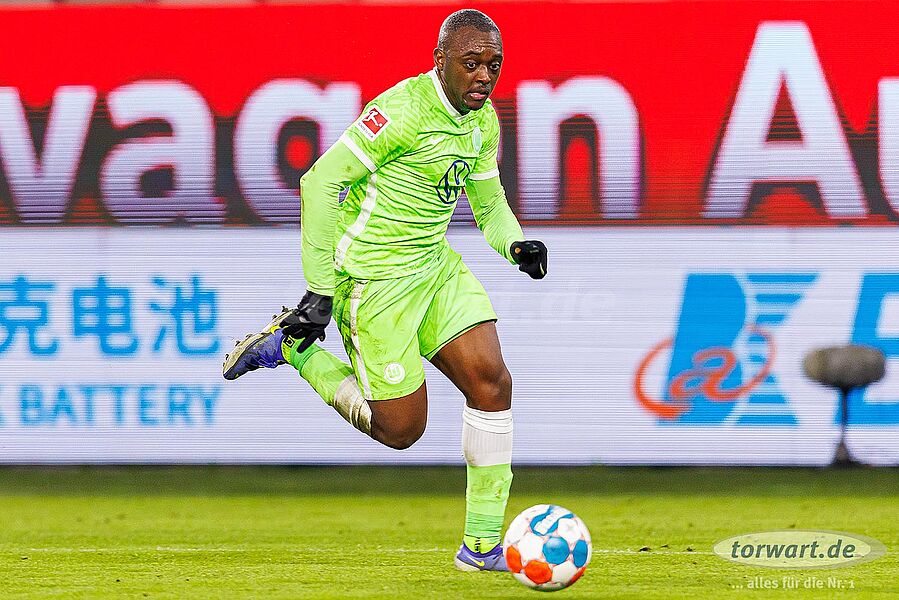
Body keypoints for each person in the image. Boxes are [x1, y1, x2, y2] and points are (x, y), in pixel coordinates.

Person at [222, 9, 547, 572]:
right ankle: (294, 349)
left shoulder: (483, 121)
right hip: (374, 281)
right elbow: (320, 183)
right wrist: (320, 291)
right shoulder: (399, 112)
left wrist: (515, 244)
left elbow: (488, 205)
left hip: (434, 267)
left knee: (492, 383)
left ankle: (480, 548)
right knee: (401, 430)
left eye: (494, 65)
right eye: (471, 63)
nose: (484, 77)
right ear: (439, 60)